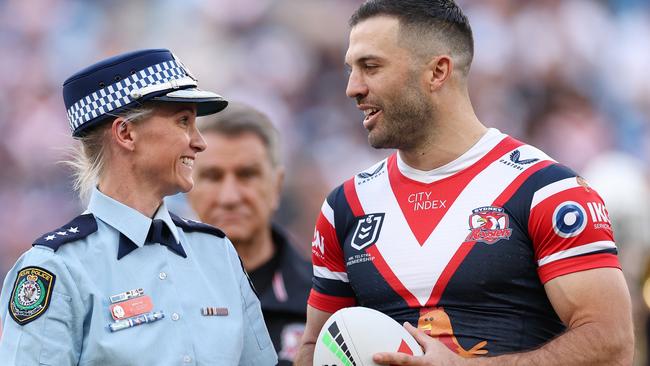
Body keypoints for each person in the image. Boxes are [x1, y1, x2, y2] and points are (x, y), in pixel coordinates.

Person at [295, 1, 634, 365]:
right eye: (351, 70)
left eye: (371, 67)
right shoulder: (345, 206)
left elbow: (612, 346)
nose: (352, 88)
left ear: (438, 71)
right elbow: (314, 347)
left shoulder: (546, 190)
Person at [0, 49, 277, 366]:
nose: (199, 142)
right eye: (184, 121)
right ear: (126, 133)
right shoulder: (57, 269)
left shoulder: (217, 253)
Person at [186, 102, 311, 365]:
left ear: (276, 185)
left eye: (247, 175)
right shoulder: (159, 291)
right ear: (187, 185)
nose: (230, 197)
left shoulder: (324, 298)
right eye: (212, 176)